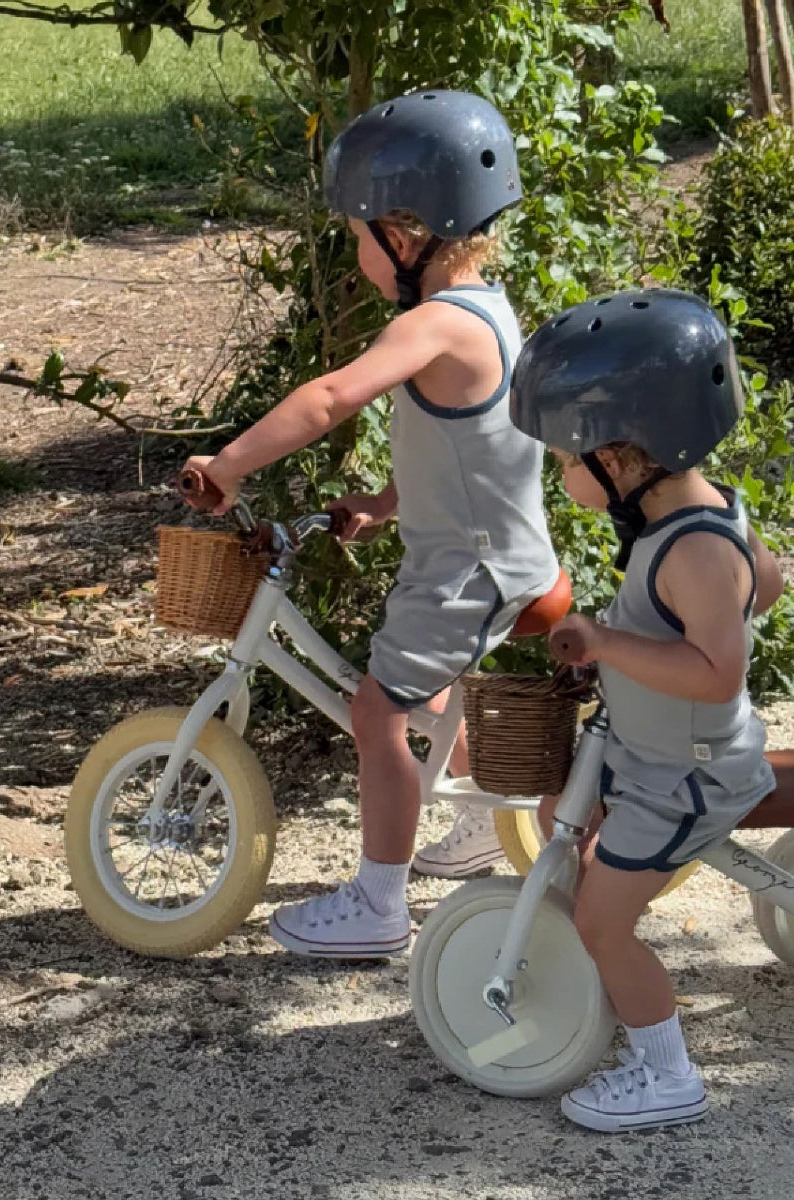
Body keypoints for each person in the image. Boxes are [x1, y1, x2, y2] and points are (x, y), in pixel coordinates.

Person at [183, 90, 559, 956]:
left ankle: (377, 903)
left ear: (409, 230)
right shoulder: (487, 311)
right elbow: (477, 443)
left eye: (359, 234)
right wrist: (390, 503)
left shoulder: (434, 325)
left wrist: (230, 463)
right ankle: (471, 822)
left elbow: (328, 398)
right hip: (494, 555)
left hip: (468, 572)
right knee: (423, 689)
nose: (356, 251)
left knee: (375, 711)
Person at [509, 287, 784, 1132]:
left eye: (567, 457)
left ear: (624, 455)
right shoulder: (700, 517)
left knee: (603, 920)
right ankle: (591, 987)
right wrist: (632, 656)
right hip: (652, 753)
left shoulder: (693, 548)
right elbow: (766, 585)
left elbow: (714, 677)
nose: (560, 474)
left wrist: (610, 645)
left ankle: (666, 1073)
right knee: (558, 813)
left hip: (687, 779)